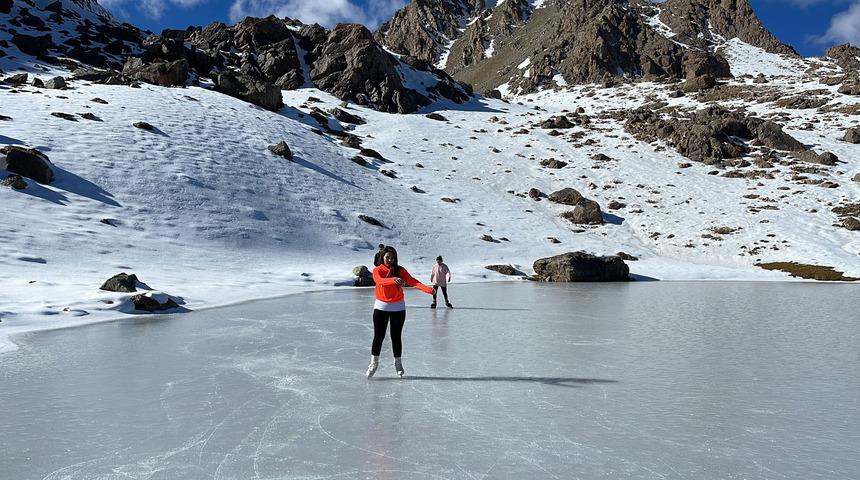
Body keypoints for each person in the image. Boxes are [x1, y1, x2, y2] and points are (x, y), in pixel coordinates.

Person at [367, 246, 433, 378]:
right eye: (387, 257)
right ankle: (374, 363)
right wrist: (393, 279)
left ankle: (398, 363)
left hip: (398, 307)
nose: (390, 260)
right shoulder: (377, 270)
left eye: (392, 258)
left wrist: (429, 290)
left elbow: (413, 281)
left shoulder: (400, 270)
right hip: (381, 307)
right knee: (378, 336)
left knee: (396, 337)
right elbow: (379, 281)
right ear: (382, 257)